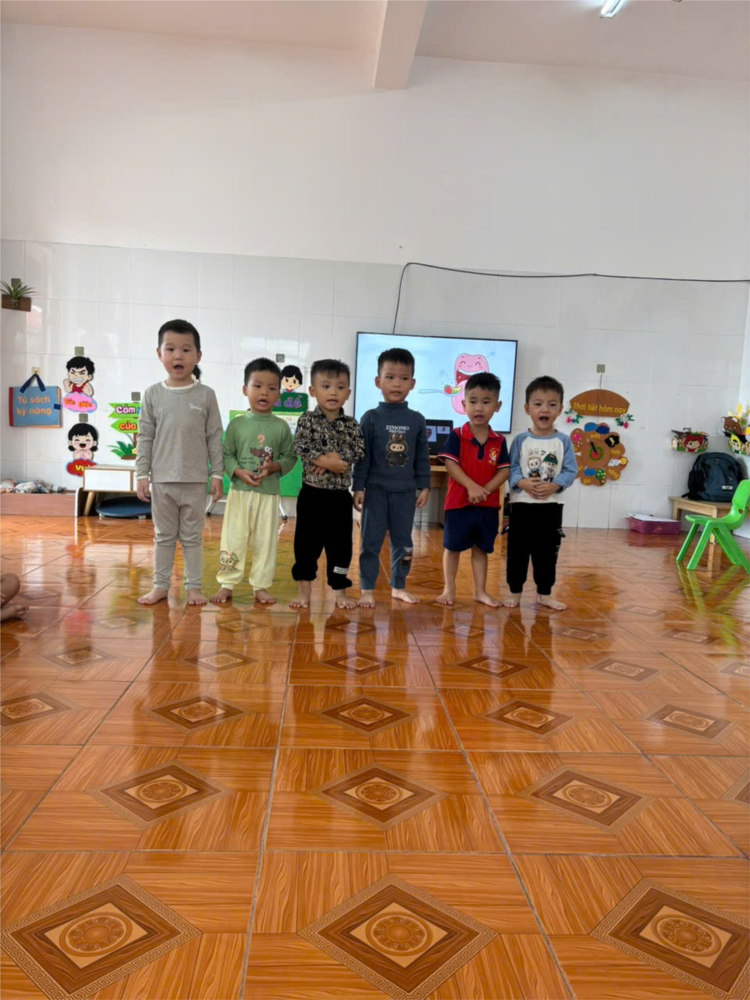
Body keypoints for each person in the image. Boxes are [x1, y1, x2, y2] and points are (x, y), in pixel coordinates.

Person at [136, 319, 224, 606]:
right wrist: (141, 474)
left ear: (198, 356)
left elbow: (214, 436)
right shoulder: (152, 394)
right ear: (159, 354)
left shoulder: (206, 395)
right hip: (162, 480)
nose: (178, 355)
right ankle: (160, 586)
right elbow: (145, 436)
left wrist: (217, 475)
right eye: (171, 349)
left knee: (192, 538)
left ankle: (193, 588)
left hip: (196, 481)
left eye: (186, 350)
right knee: (163, 537)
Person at [211, 358, 296, 606]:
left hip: (268, 494)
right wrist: (238, 472)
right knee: (233, 538)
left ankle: (260, 586)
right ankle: (227, 583)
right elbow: (227, 455)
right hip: (239, 492)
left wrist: (273, 467)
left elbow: (290, 457)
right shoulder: (237, 424)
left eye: (272, 388)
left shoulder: (281, 427)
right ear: (245, 389)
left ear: (278, 394)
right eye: (257, 386)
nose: (264, 392)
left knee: (265, 542)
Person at [352, 348, 430, 606]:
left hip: (405, 494)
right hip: (375, 492)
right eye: (390, 377)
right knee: (370, 542)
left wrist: (424, 486)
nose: (397, 384)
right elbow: (362, 456)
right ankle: (366, 588)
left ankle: (399, 585)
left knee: (404, 544)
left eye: (403, 378)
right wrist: (358, 486)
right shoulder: (370, 418)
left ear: (412, 383)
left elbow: (422, 457)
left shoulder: (417, 420)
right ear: (378, 382)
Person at [289, 359, 365, 611]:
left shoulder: (352, 424)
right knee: (305, 545)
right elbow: (300, 445)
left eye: (340, 387)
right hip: (311, 496)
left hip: (339, 498)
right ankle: (304, 592)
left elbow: (359, 450)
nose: (333, 392)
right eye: (326, 386)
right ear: (313, 391)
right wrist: (324, 461)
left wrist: (334, 461)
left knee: (341, 547)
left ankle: (340, 591)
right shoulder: (307, 419)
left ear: (348, 393)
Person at [437, 372, 510, 607]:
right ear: (463, 404)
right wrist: (471, 486)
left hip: (487, 506)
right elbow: (451, 465)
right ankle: (449, 589)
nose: (479, 407)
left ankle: (480, 591)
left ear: (497, 406)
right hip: (458, 504)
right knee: (452, 548)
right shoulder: (457, 435)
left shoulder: (499, 441)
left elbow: (504, 471)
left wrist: (484, 490)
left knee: (481, 550)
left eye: (486, 402)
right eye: (473, 401)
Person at [505, 375, 577, 611]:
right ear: (527, 409)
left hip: (551, 508)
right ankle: (515, 592)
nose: (544, 409)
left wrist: (555, 485)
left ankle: (544, 593)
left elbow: (570, 470)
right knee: (517, 551)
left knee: (546, 553)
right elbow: (511, 468)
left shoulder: (563, 441)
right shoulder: (520, 440)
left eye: (551, 404)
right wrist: (522, 482)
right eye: (538, 404)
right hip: (521, 506)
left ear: (560, 409)